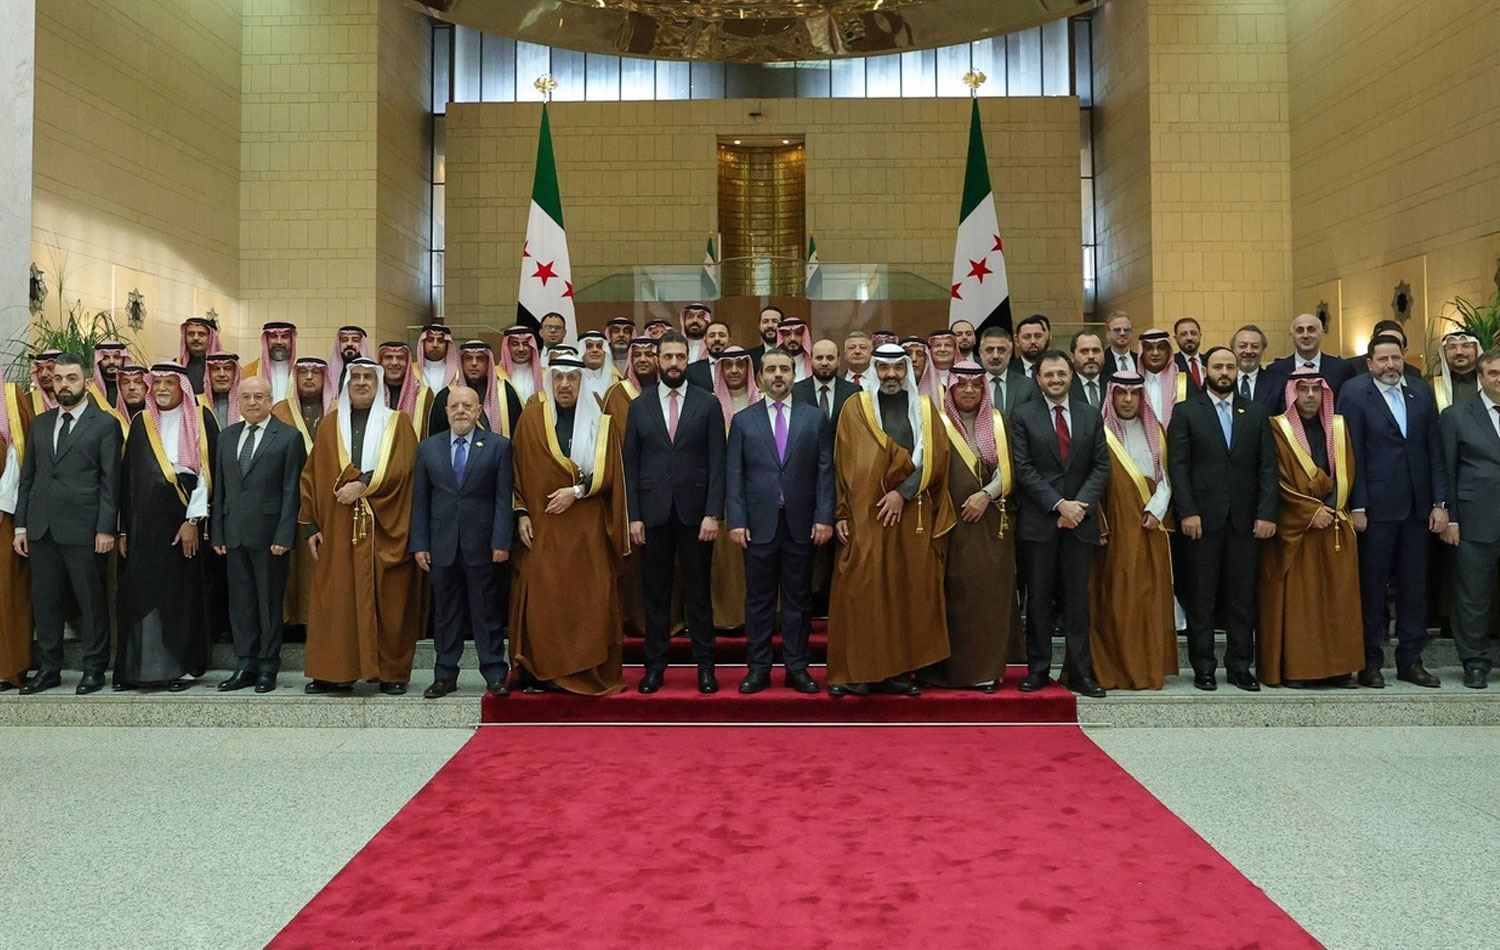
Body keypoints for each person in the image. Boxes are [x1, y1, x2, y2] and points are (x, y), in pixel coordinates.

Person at [828, 343, 955, 696]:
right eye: (884, 368)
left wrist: (903, 493)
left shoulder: (925, 409)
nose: (891, 375)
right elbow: (842, 463)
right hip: (864, 516)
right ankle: (859, 673)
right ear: (874, 370)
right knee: (863, 590)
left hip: (910, 514)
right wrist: (841, 511)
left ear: (908, 370)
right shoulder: (855, 408)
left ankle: (897, 673)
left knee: (904, 590)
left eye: (898, 368)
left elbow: (936, 458)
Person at [299, 359, 422, 694]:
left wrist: (364, 484)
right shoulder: (329, 425)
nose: (362, 382)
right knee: (336, 600)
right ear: (346, 384)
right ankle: (335, 673)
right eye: (356, 377)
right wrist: (310, 525)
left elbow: (405, 469)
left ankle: (391, 674)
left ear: (378, 384)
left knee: (389, 601)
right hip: (338, 529)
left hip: (385, 525)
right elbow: (312, 475)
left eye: (369, 377)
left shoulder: (397, 423)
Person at [509, 358, 629, 695]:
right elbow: (516, 470)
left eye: (572, 378)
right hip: (542, 525)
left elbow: (611, 472)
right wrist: (521, 513)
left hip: (587, 527)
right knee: (545, 598)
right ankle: (544, 672)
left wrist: (575, 492)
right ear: (550, 381)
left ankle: (584, 672)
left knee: (588, 598)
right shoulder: (531, 419)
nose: (565, 385)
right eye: (559, 377)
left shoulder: (601, 422)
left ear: (581, 381)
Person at [1168, 346, 1279, 692]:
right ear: (1206, 370)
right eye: (1218, 366)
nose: (1225, 372)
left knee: (1242, 598)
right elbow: (1178, 466)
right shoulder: (1186, 411)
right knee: (1201, 596)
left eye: (1230, 367)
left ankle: (1239, 666)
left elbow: (1267, 466)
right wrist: (1187, 511)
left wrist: (1266, 513)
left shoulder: (1255, 411)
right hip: (1201, 520)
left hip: (1245, 522)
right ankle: (1203, 667)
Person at [1340, 334, 1448, 688]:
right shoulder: (1355, 393)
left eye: (1396, 358)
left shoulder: (1420, 393)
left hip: (1417, 509)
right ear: (1370, 363)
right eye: (1383, 359)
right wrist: (1357, 505)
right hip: (1375, 510)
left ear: (1404, 359)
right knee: (1372, 589)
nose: (1390, 365)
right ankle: (1369, 662)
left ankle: (1411, 660)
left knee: (1414, 588)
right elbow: (1351, 452)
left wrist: (1440, 503)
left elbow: (1434, 450)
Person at [623, 332, 726, 694]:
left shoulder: (708, 403)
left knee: (698, 593)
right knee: (656, 595)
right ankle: (654, 667)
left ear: (688, 359)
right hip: (652, 515)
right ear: (657, 359)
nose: (673, 363)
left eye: (680, 357)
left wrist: (713, 512)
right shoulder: (640, 405)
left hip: (696, 516)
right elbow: (630, 464)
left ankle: (706, 667)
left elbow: (718, 462)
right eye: (667, 356)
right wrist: (634, 516)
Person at [726, 348, 834, 693]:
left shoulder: (814, 418)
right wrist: (737, 520)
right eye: (771, 369)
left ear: (793, 375)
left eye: (784, 369)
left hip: (801, 523)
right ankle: (758, 669)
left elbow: (825, 471)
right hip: (758, 525)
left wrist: (824, 517)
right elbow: (734, 473)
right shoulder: (743, 420)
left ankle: (796, 668)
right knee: (758, 601)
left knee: (797, 600)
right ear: (760, 377)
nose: (777, 375)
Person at [13, 354, 121, 695]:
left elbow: (110, 482)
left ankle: (94, 668)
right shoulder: (41, 423)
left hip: (85, 529)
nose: (63, 385)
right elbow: (28, 478)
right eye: (58, 378)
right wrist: (21, 526)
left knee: (91, 602)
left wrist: (106, 528)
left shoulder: (104, 424)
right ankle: (49, 669)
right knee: (46, 604)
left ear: (86, 381)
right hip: (42, 528)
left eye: (71, 378)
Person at [1009, 350, 1110, 697]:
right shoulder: (1022, 415)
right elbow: (1023, 469)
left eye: (1061, 374)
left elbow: (1101, 466)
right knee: (1038, 600)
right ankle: (1038, 670)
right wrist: (1059, 505)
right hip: (1040, 522)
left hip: (1080, 521)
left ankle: (1080, 673)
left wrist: (1078, 507)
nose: (1055, 380)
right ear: (1038, 379)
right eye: (1049, 374)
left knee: (1077, 602)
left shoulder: (1090, 414)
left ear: (1071, 376)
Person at [115, 363, 219, 690]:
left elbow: (208, 476)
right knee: (143, 592)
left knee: (181, 594)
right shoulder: (142, 422)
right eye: (157, 382)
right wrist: (124, 530)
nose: (161, 389)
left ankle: (183, 669)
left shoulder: (201, 418)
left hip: (184, 519)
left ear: (182, 387)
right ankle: (142, 669)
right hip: (144, 523)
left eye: (169, 383)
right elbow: (128, 480)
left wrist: (192, 521)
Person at [1259, 371, 1363, 688]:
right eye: (1302, 389)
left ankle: (1338, 669)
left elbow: (1348, 470)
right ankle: (1300, 670)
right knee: (1301, 604)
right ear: (1292, 394)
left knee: (1338, 600)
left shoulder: (1339, 427)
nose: (1309, 396)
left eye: (1316, 390)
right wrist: (1310, 511)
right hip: (1297, 530)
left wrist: (1332, 507)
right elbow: (1274, 479)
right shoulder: (1277, 428)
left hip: (1334, 525)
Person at [410, 385, 514, 699]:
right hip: (441, 545)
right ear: (446, 411)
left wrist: (501, 541)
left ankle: (495, 673)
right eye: (454, 406)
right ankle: (444, 675)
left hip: (482, 545)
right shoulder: (428, 448)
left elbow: (503, 499)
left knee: (486, 612)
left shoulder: (498, 447)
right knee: (445, 613)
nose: (460, 411)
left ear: (479, 410)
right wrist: (420, 543)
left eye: (467, 406)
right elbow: (420, 501)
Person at [921, 362, 1016, 691]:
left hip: (991, 524)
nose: (969, 390)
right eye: (961, 385)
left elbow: (1009, 468)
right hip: (949, 525)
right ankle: (947, 672)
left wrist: (985, 495)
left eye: (976, 385)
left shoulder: (998, 422)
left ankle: (985, 672)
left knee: (988, 598)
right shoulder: (937, 423)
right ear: (951, 389)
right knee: (952, 597)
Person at [210, 376, 305, 693]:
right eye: (246, 397)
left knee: (268, 604)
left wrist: (285, 534)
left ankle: (267, 667)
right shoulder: (226, 437)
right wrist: (217, 532)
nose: (252, 402)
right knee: (241, 604)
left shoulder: (288, 437)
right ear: (238, 401)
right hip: (233, 535)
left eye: (259, 397)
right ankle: (245, 664)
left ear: (269, 400)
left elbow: (292, 491)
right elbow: (220, 490)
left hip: (270, 537)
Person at [1090, 372, 1176, 690]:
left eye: (1134, 394)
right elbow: (1091, 482)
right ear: (1111, 396)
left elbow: (1167, 477)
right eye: (1121, 394)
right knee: (1117, 596)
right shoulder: (1099, 433)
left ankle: (1147, 670)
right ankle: (1115, 670)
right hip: (1114, 530)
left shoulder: (1157, 431)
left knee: (1148, 598)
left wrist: (1158, 508)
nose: (1128, 400)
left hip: (1150, 526)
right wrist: (1099, 523)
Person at [1441, 348, 1500, 689]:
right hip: (1476, 518)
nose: (1499, 379)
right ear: (1480, 377)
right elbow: (1447, 469)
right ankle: (1475, 662)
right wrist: (1450, 517)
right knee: (1472, 597)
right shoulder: (1456, 415)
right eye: (1493, 373)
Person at [271, 357, 330, 630]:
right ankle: (289, 620)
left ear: (325, 377)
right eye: (303, 372)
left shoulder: (337, 410)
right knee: (291, 562)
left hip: (327, 500)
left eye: (315, 372)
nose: (308, 377)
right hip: (288, 498)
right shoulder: (280, 410)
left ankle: (317, 620)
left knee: (319, 561)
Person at [706, 346, 758, 631]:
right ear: (721, 370)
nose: (735, 370)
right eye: (728, 365)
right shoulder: (708, 404)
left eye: (741, 364)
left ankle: (761, 619)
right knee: (726, 563)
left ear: (749, 368)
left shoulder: (763, 401)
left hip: (760, 495)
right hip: (724, 496)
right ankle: (728, 618)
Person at [0, 379, 34, 691]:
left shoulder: (10, 397)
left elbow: (18, 456)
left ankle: (8, 667)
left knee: (7, 591)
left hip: (5, 515)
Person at [429, 341, 522, 438]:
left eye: (480, 359)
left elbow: (518, 432)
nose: (474, 363)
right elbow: (437, 438)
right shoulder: (446, 395)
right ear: (461, 363)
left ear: (488, 363)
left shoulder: (504, 391)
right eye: (468, 358)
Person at [1267, 312, 1355, 405]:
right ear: (1291, 337)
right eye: (1300, 330)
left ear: (1322, 334)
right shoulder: (1275, 371)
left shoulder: (1342, 369)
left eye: (1311, 330)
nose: (1305, 335)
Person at [794, 339, 859, 429]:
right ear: (811, 360)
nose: (824, 363)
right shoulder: (796, 391)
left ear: (838, 361)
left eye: (830, 358)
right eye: (819, 358)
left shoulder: (853, 392)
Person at [378, 340, 434, 439]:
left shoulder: (421, 394)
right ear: (380, 362)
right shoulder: (371, 393)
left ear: (408, 363)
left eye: (400, 358)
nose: (394, 363)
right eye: (389, 357)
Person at [978, 326, 1036, 415]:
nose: (995, 356)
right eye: (989, 350)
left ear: (1010, 353)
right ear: (980, 352)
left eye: (1001, 350)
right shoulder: (971, 386)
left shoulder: (1027, 385)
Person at [1138, 329, 1187, 426]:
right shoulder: (1134, 383)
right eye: (1149, 348)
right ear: (1142, 352)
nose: (1155, 353)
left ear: (1169, 352)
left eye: (1161, 348)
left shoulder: (1182, 381)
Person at [242, 321, 298, 402]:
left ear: (292, 340)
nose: (279, 342)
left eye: (284, 337)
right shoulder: (249, 371)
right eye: (274, 336)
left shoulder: (300, 371)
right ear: (266, 340)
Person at [1231, 324, 1280, 409]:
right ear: (1233, 349)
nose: (1248, 351)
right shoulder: (1223, 381)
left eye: (1255, 346)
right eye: (1242, 346)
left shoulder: (1278, 383)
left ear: (1263, 350)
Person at [1431, 331, 1480, 411]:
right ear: (1444, 353)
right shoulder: (1432, 386)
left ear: (1477, 350)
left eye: (1466, 346)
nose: (1459, 352)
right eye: (1452, 347)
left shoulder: (1493, 382)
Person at [500, 324, 544, 406]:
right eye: (515, 344)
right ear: (507, 347)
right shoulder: (497, 375)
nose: (521, 349)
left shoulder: (544, 374)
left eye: (525, 344)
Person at [87, 339, 129, 422]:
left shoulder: (133, 388)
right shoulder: (90, 390)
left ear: (124, 360)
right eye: (105, 358)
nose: (111, 362)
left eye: (116, 357)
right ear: (98, 361)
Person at [178, 316, 221, 394]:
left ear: (210, 338)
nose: (196, 338)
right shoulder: (177, 364)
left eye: (201, 334)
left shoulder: (223, 366)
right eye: (191, 334)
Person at [685, 319, 730, 391]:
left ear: (729, 341)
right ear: (705, 340)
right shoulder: (690, 370)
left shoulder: (738, 368)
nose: (717, 339)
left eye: (722, 335)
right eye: (712, 336)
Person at [201, 351, 241, 428]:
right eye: (216, 369)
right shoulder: (200, 404)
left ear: (235, 373)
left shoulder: (246, 403)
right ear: (209, 374)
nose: (221, 374)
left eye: (227, 368)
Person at [1069, 330, 1108, 409]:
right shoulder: (1066, 387)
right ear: (1072, 356)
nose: (1091, 356)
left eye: (1096, 351)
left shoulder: (1112, 384)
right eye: (1084, 351)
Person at [417, 324, 460, 395]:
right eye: (430, 340)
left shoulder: (458, 372)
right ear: (423, 343)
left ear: (447, 345)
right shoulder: (412, 371)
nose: (435, 345)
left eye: (441, 341)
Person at [901, 335, 943, 403]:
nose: (913, 359)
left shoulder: (941, 392)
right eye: (908, 354)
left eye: (920, 354)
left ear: (926, 361)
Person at [328, 325, 369, 390]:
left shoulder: (372, 369)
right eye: (345, 340)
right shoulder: (329, 370)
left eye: (355, 340)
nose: (349, 344)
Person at [1173, 317, 1206, 392]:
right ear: (1176, 338)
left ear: (1200, 335)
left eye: (1193, 333)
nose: (1189, 338)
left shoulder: (1209, 361)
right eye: (1183, 334)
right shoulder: (1171, 363)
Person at [1012, 314, 1050, 378]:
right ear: (1017, 341)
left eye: (1038, 336)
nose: (1033, 341)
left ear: (1046, 338)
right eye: (1027, 337)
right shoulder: (1007, 370)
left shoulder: (1059, 366)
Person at [776, 317, 814, 381]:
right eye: (787, 334)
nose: (793, 338)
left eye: (798, 334)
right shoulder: (773, 363)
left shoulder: (814, 363)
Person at [747, 305, 783, 371]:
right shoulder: (749, 357)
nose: (770, 325)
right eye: (765, 321)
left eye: (775, 321)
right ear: (759, 326)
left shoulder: (793, 353)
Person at [1103, 311, 1136, 377]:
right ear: (1108, 333)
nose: (1122, 333)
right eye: (1117, 330)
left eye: (1126, 330)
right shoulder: (1102, 360)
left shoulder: (1140, 360)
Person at [29, 349, 61, 414]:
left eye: (50, 368)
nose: (43, 374)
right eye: (40, 369)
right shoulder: (30, 403)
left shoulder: (77, 402)